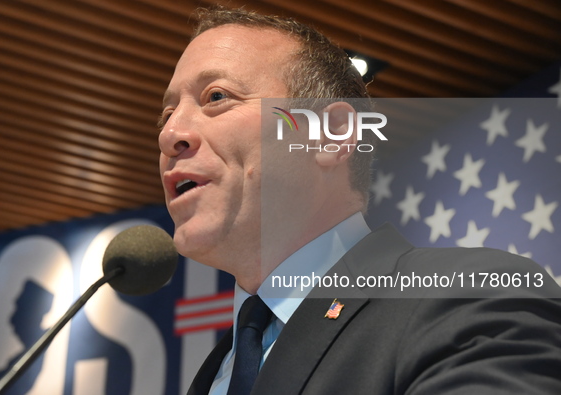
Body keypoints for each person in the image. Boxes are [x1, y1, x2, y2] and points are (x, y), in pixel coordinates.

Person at [158, 6, 561, 395]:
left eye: (216, 97)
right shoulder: (217, 372)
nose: (169, 133)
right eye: (166, 114)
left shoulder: (467, 296)